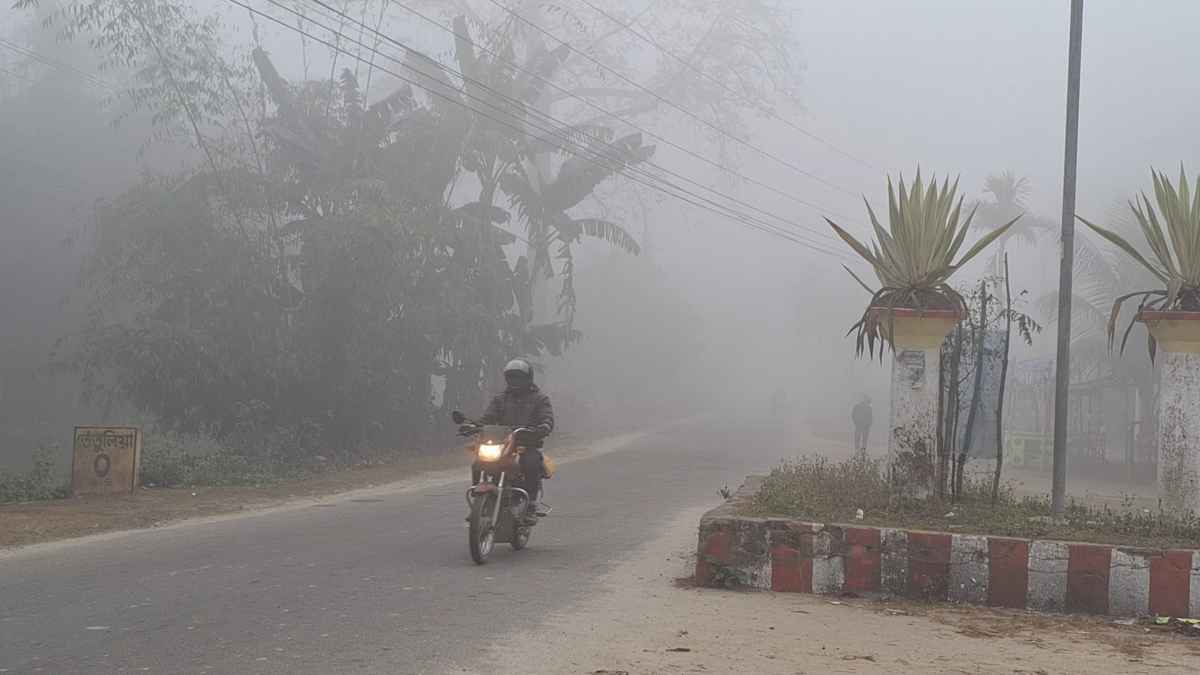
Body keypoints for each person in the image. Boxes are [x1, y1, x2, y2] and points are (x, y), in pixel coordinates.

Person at [477, 358, 554, 520]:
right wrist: (474, 425)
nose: (515, 381)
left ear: (528, 378)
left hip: (527, 444)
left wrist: (544, 426)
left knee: (531, 463)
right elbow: (488, 418)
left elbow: (547, 417)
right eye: (511, 377)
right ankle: (478, 499)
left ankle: (531, 504)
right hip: (502, 444)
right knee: (478, 463)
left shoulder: (540, 399)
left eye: (519, 377)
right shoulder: (500, 399)